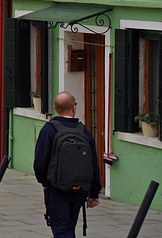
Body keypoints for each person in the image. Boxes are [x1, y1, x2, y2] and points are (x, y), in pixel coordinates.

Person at [34, 91, 102, 237]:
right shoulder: (84, 131)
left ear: (55, 108)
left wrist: (44, 182)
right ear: (74, 108)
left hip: (57, 188)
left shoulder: (49, 129)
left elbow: (40, 161)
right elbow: (93, 164)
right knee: (70, 225)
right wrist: (94, 192)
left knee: (61, 228)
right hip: (80, 189)